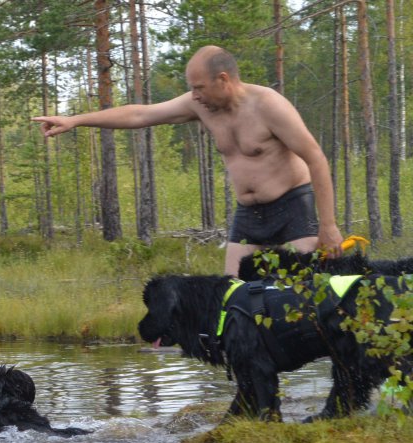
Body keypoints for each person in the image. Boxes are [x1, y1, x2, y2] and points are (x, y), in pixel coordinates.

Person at [32, 45, 344, 276]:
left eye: (199, 88)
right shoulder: (200, 106)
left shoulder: (269, 106)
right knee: (232, 298)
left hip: (292, 207)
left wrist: (328, 226)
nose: (194, 96)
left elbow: (316, 158)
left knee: (310, 293)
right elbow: (140, 114)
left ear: (223, 79)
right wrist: (76, 120)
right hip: (249, 214)